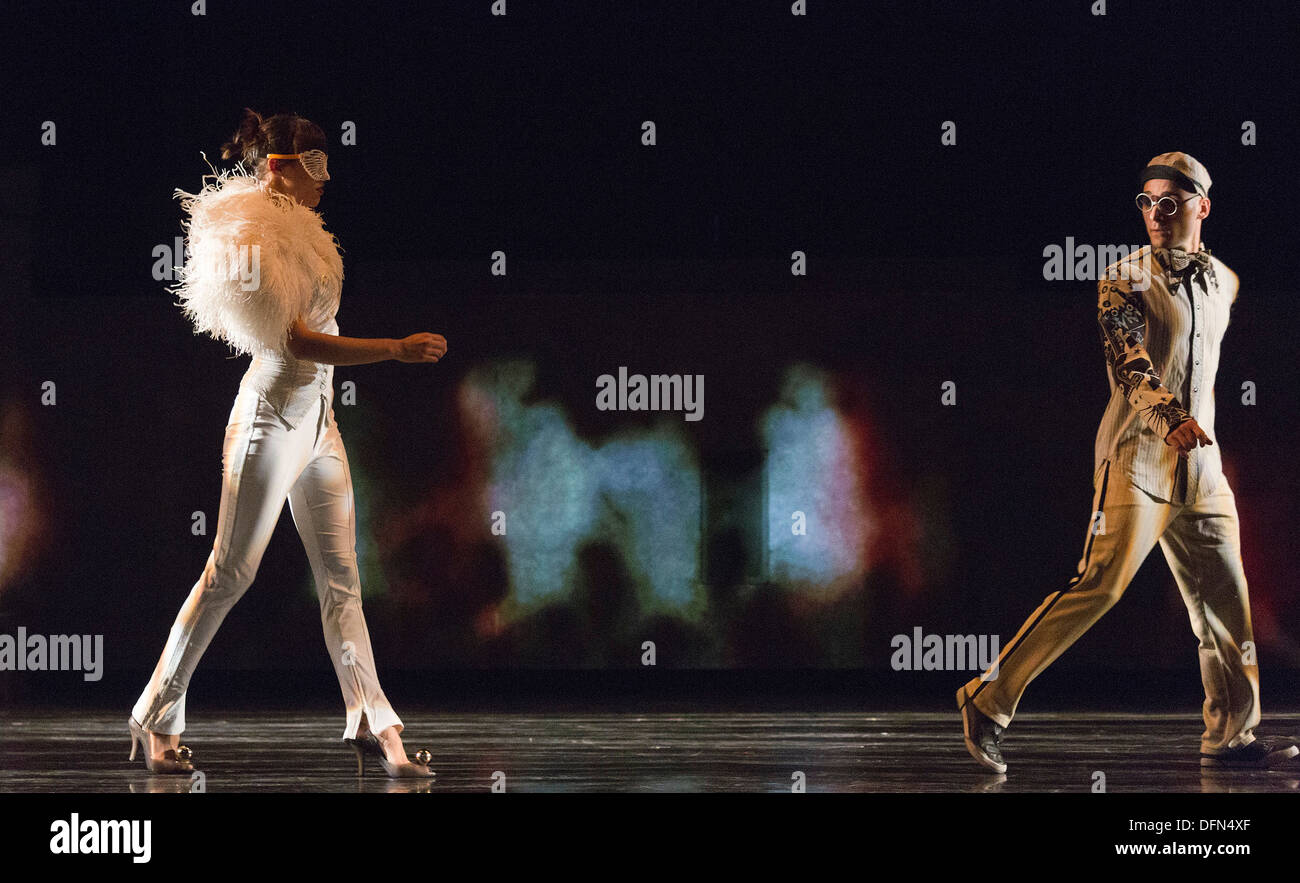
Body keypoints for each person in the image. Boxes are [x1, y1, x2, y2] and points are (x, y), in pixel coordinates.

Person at [128, 108, 447, 778]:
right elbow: (297, 339)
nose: (326, 176)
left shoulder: (305, 232)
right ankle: (154, 713)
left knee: (342, 580)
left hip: (318, 417)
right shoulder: (249, 235)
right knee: (230, 572)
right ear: (281, 167)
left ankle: (375, 723)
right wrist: (394, 348)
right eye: (315, 163)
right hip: (270, 417)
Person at [956, 152, 1298, 772]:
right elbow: (1128, 361)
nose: (1155, 213)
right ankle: (987, 698)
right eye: (1146, 202)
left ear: (1202, 206)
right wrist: (1170, 417)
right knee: (1100, 584)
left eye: (1170, 201)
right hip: (1137, 460)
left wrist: (1195, 431)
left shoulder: (1226, 280)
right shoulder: (1122, 276)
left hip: (1202, 469)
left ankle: (1233, 735)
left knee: (1228, 602)